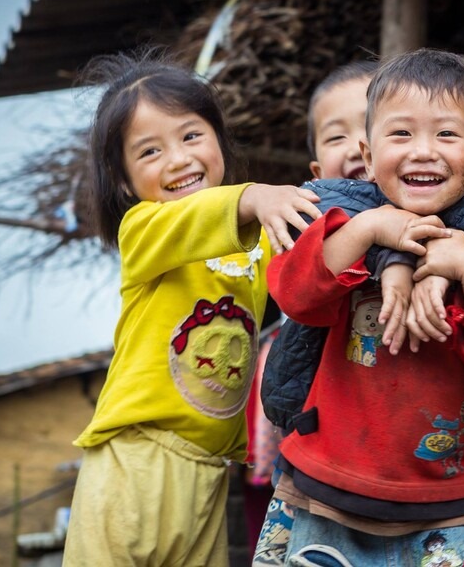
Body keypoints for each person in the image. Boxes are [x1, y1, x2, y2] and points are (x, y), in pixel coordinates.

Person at [265, 48, 464, 566]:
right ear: (368, 155)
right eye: (401, 134)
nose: (424, 151)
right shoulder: (343, 230)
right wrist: (368, 229)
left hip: (443, 512)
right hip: (321, 491)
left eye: (446, 134)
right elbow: (295, 295)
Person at [61, 48, 323, 567]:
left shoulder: (254, 243)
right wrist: (254, 195)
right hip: (136, 459)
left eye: (191, 136)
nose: (178, 159)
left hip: (209, 468)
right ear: (123, 181)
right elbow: (200, 218)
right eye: (150, 152)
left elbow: (311, 257)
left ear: (219, 142)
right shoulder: (143, 230)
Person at [249, 59, 379, 565]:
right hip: (323, 461)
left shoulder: (446, 224)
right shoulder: (308, 235)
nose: (356, 148)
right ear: (316, 172)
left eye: (371, 127)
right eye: (336, 137)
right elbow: (294, 294)